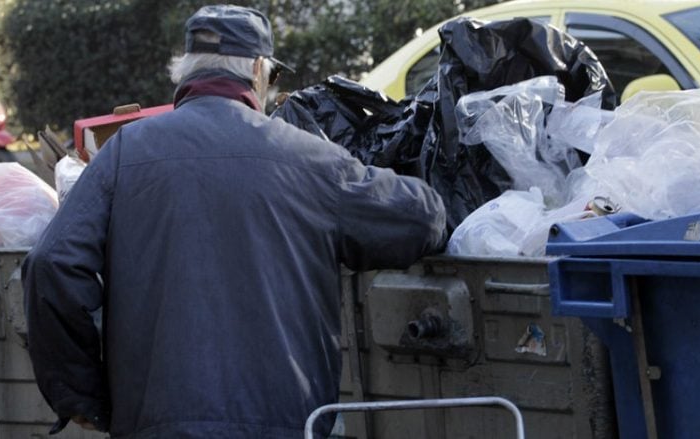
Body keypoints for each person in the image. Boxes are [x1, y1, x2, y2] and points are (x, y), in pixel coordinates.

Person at [23, 5, 446, 438]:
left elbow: (51, 263)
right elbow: (421, 218)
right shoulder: (310, 159)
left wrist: (81, 395)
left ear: (185, 71)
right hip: (283, 424)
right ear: (259, 70)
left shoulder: (124, 152)